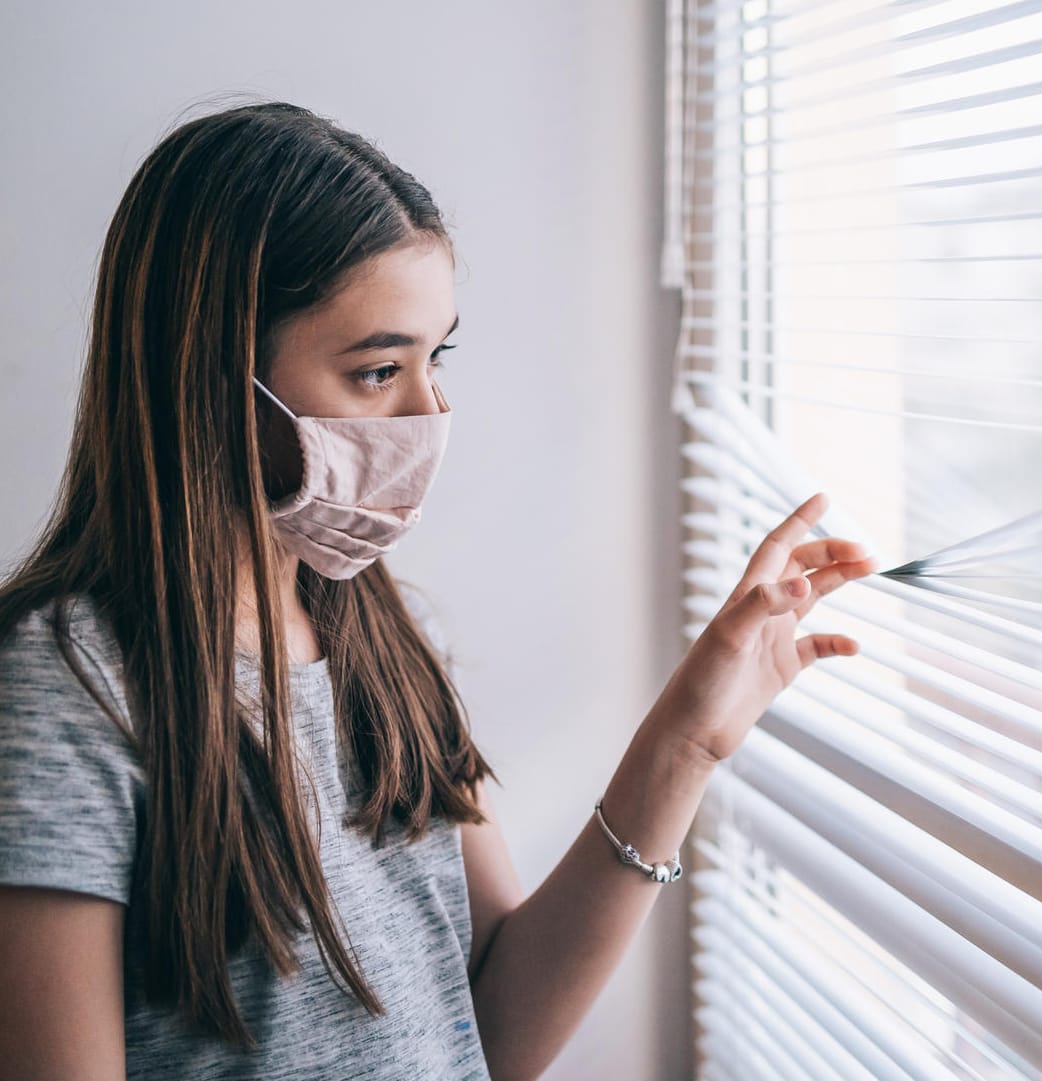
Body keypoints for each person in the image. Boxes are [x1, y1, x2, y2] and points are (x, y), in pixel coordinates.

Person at [0, 100, 877, 1081]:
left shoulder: (382, 634)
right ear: (209, 376)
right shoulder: (63, 692)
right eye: (378, 369)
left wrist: (683, 742)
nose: (430, 413)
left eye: (436, 357)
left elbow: (490, 1033)